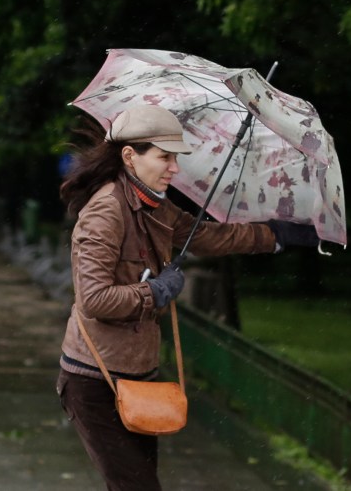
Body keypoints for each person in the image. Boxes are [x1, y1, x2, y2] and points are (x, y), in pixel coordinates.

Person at [56, 105, 319, 491]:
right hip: (94, 381)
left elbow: (207, 236)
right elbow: (94, 299)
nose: (174, 168)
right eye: (164, 157)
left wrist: (276, 235)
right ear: (130, 156)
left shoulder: (154, 205)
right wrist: (155, 290)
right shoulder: (106, 211)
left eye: (175, 158)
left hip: (140, 377)